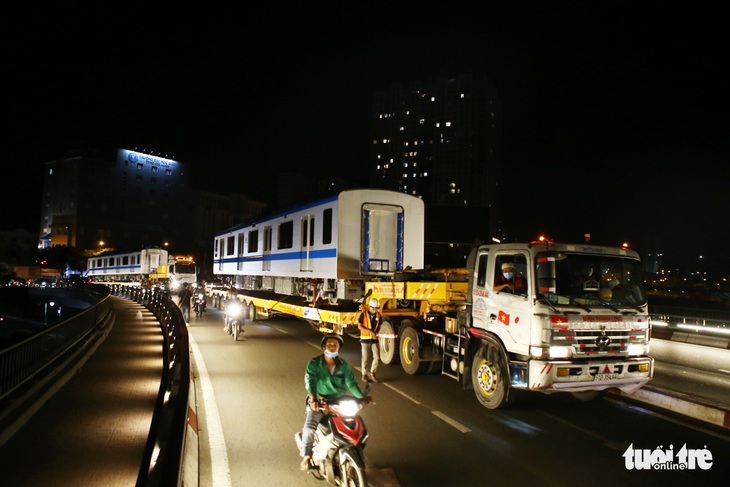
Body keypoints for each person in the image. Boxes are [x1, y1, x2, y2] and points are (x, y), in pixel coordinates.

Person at [299, 334, 367, 471]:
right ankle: (306, 455)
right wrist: (313, 400)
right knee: (309, 426)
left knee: (356, 425)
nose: (332, 346)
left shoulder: (344, 365)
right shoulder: (314, 363)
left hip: (338, 402)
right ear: (324, 346)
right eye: (329, 344)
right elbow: (310, 382)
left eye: (335, 344)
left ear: (339, 348)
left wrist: (362, 398)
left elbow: (351, 384)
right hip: (319, 401)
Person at [357, 297, 382, 383]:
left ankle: (372, 373)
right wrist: (370, 332)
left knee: (377, 358)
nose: (376, 310)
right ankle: (364, 375)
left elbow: (379, 326)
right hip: (365, 339)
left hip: (374, 339)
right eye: (375, 308)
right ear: (371, 307)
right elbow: (359, 326)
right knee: (365, 358)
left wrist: (378, 333)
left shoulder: (378, 316)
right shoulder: (363, 315)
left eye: (377, 308)